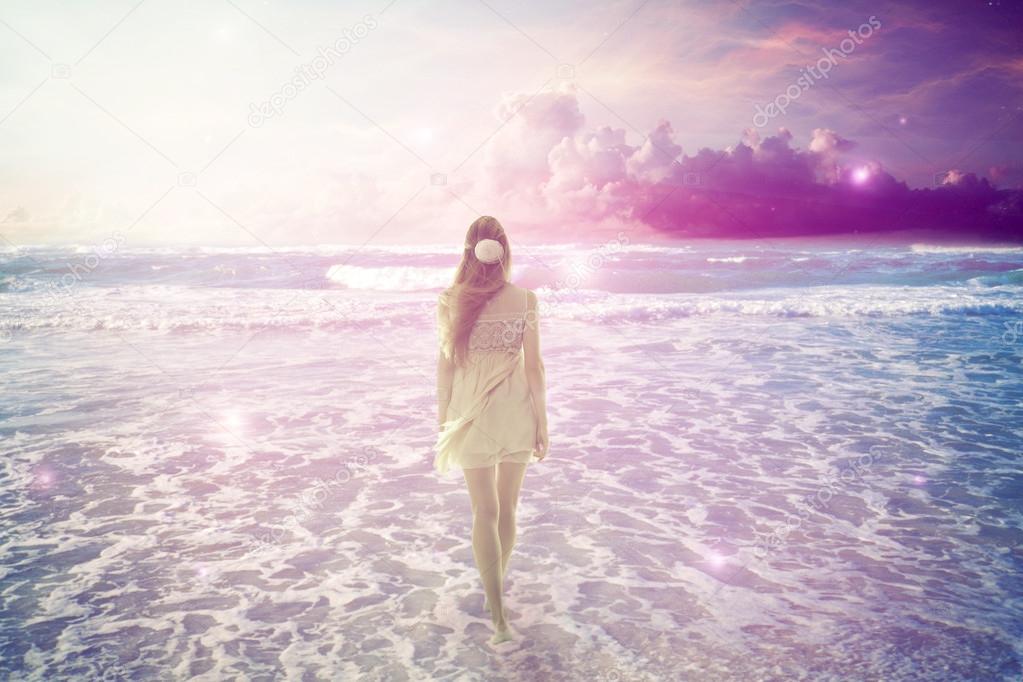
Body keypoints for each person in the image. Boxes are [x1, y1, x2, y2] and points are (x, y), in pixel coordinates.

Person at [434, 215, 550, 645]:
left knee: (484, 512)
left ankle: (498, 615)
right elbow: (535, 368)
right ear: (505, 250)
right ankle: (494, 585)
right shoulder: (526, 300)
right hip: (516, 409)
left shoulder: (450, 300)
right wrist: (543, 422)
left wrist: (443, 418)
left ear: (468, 250)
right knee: (507, 508)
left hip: (472, 413)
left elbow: (445, 369)